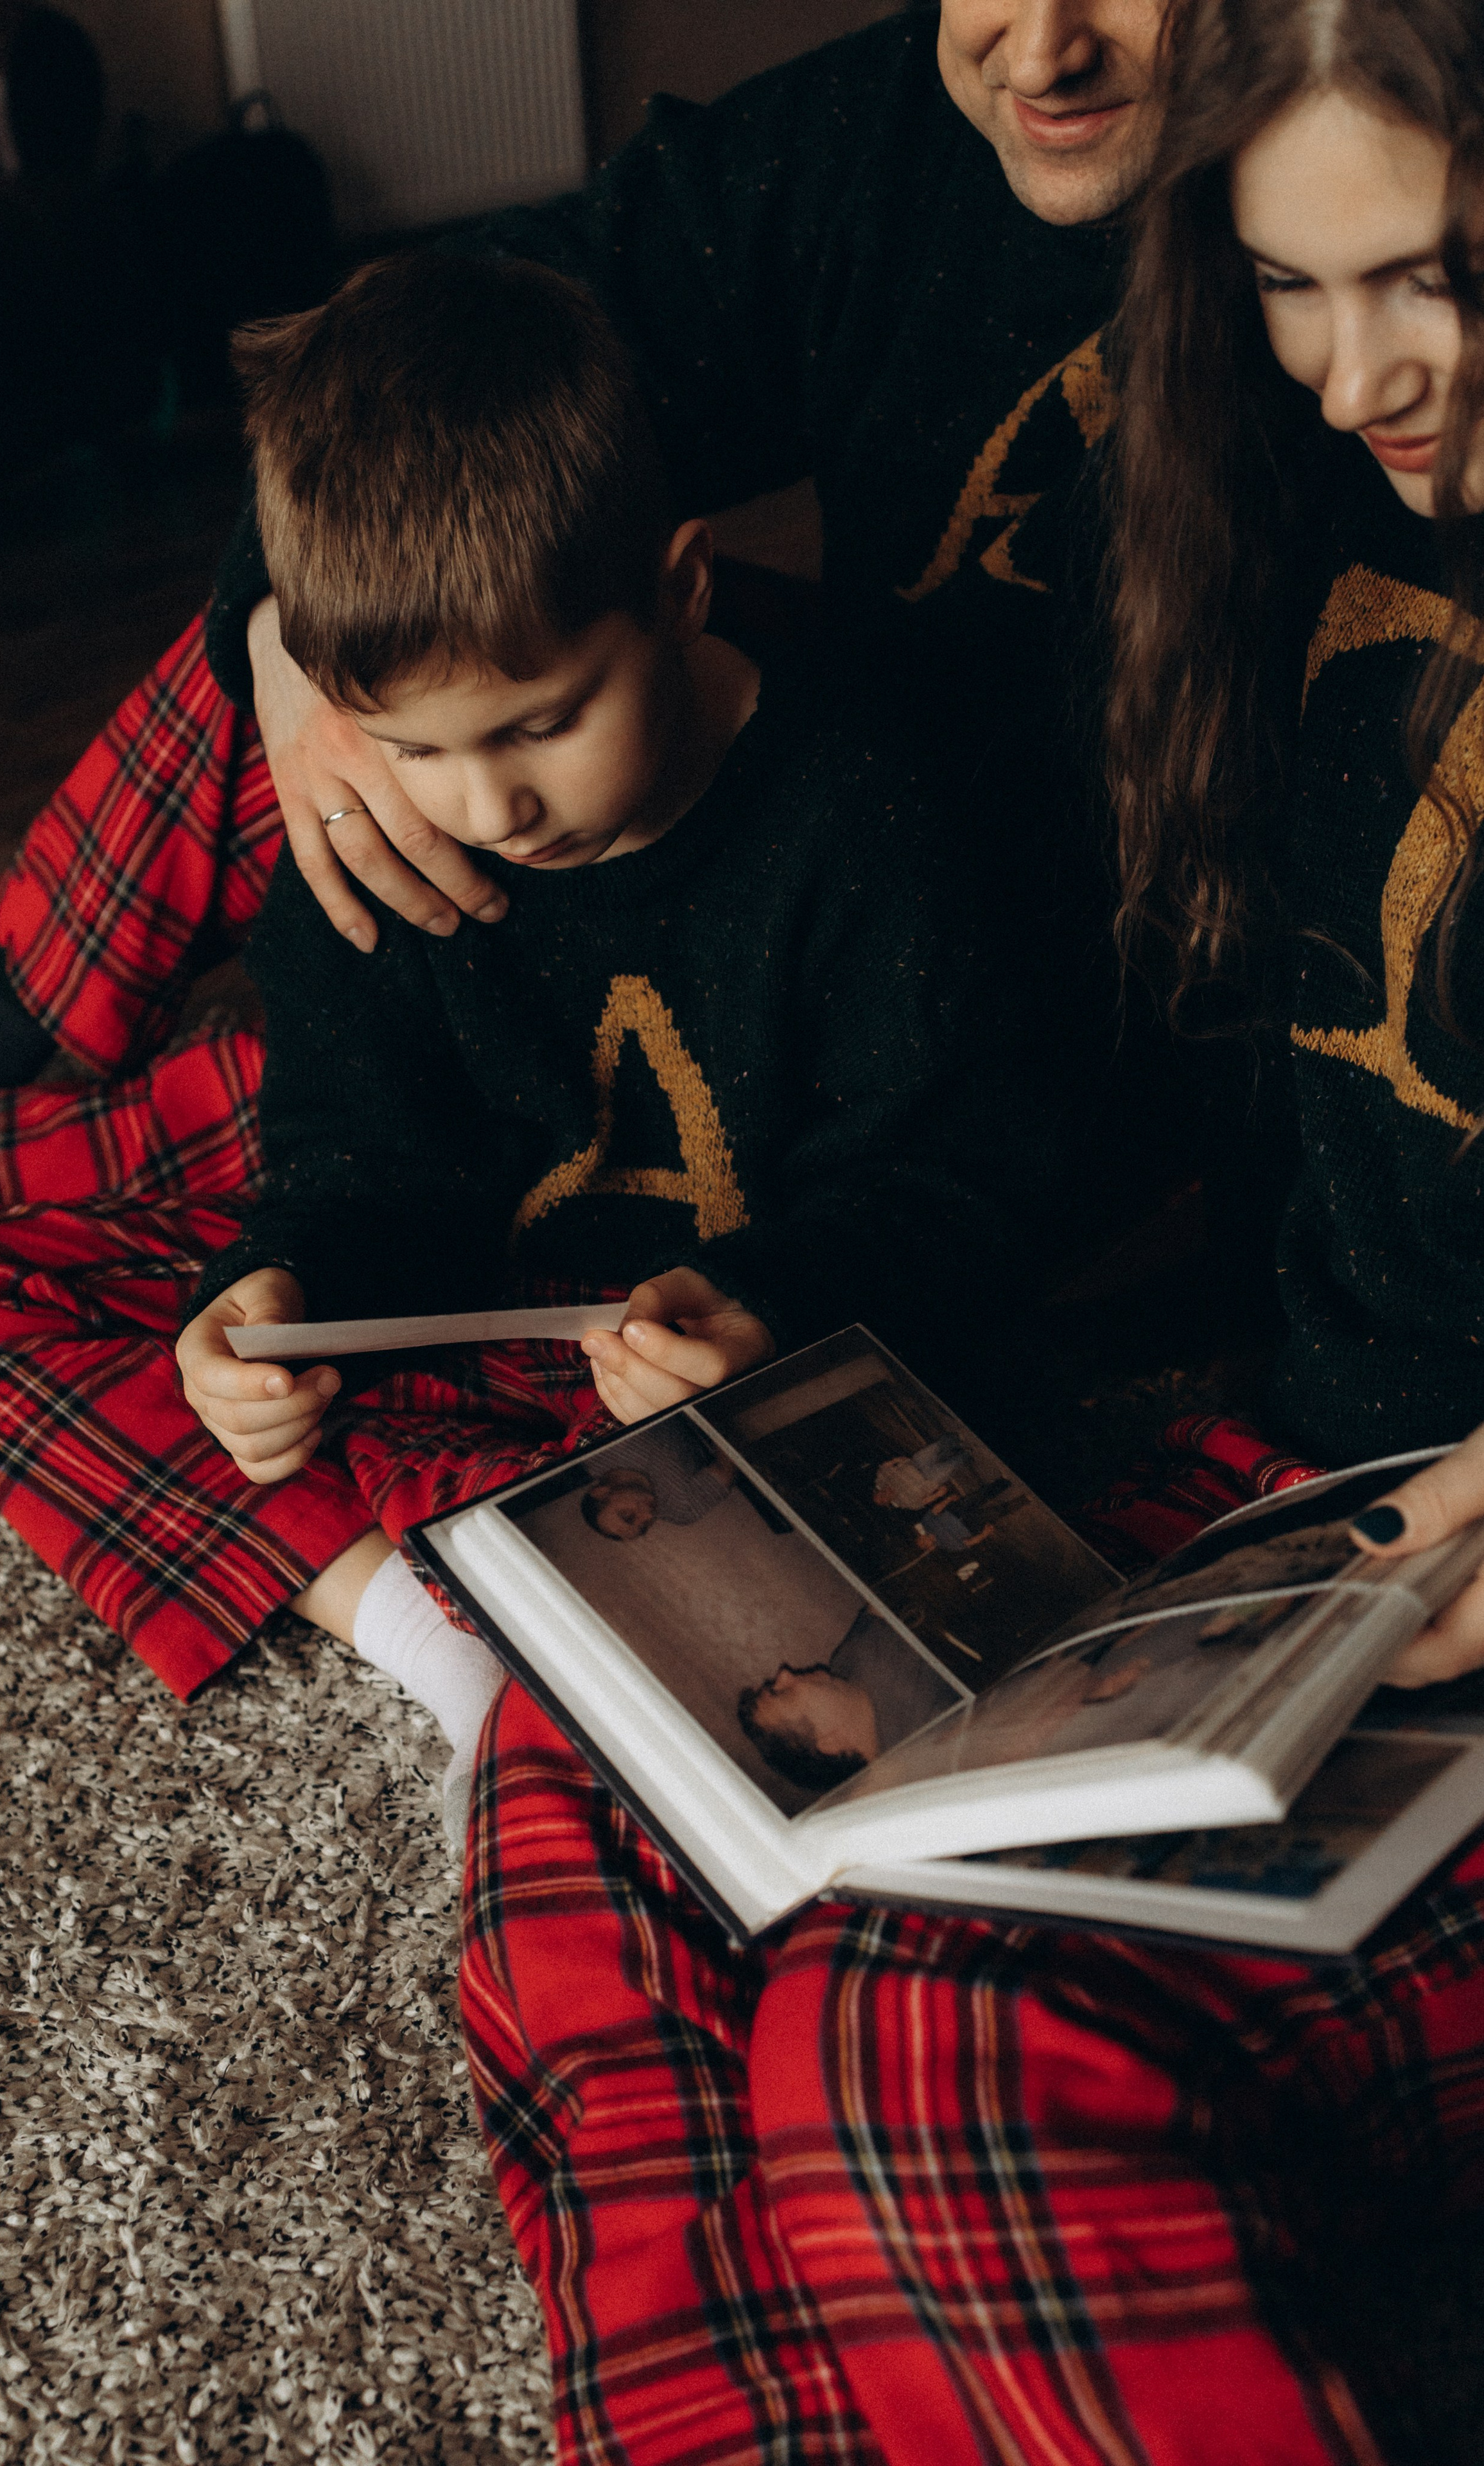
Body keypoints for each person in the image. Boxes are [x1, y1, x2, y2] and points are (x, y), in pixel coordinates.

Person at [456, 6, 1484, 2460]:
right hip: (1309, 1477)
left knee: (921, 2045)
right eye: (1286, 283)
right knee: (596, 1755)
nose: (1358, 371)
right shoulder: (1266, 481)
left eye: (1436, 274)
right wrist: (823, 1316)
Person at [0, 3, 1174, 1360]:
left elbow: (958, 1165)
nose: (1039, 48)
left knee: (477, 737)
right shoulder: (885, 128)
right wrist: (283, 646)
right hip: (593, 877)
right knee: (378, 643)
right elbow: (452, 329)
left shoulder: (1306, 258)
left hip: (920, 904)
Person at [0, 250, 1011, 1834]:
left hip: (715, 1396)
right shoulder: (377, 834)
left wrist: (771, 1304)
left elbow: (957, 1183)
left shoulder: (862, 808)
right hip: (464, 1349)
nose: (490, 806)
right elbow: (358, 1161)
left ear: (682, 588)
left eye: (543, 722)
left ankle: (537, 1617)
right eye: (414, 747)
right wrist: (275, 1296)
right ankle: (435, 1636)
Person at [737, 1602, 956, 1789]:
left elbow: (894, 1590)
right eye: (781, 1693)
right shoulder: (932, 1738)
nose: (784, 1674)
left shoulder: (843, 1662)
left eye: (772, 1684)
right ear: (830, 1743)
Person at [581, 1426, 740, 1542]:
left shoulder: (595, 1453)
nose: (649, 1516)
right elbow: (726, 1467)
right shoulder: (682, 1510)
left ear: (601, 1492)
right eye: (643, 1527)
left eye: (628, 1516)